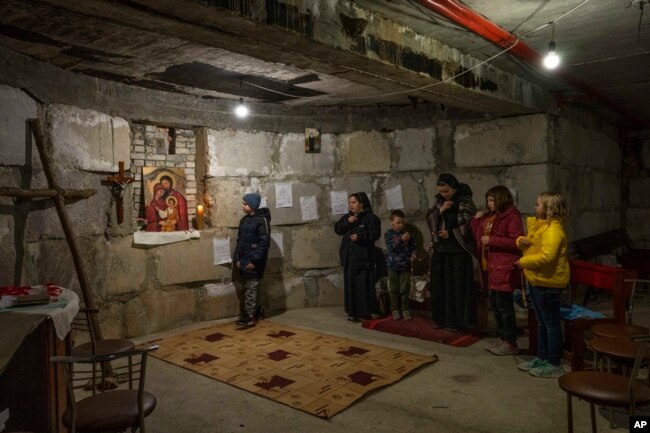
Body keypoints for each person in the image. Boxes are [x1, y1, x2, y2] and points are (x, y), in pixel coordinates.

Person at [515, 192, 569, 378]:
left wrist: (523, 262)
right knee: (542, 323)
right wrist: (521, 241)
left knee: (551, 324)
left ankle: (554, 363)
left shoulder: (553, 230)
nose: (535, 207)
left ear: (548, 209)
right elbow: (535, 245)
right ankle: (542, 356)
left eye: (538, 204)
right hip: (538, 280)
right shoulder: (541, 227)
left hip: (548, 282)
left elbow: (547, 257)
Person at [471, 186, 524, 355]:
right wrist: (475, 220)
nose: (489, 203)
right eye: (488, 200)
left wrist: (493, 240)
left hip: (504, 267)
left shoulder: (511, 217)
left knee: (504, 307)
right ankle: (502, 338)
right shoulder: (492, 216)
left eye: (492, 200)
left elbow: (517, 241)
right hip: (491, 267)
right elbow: (478, 234)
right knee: (496, 305)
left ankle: (510, 342)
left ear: (501, 198)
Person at [426, 173, 477, 332]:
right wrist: (439, 211)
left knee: (456, 288)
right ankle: (441, 319)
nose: (444, 195)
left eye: (446, 191)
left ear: (454, 187)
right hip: (441, 251)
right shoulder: (439, 202)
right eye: (441, 192)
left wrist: (451, 233)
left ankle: (458, 322)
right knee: (440, 287)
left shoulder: (465, 201)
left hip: (458, 252)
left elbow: (471, 225)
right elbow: (430, 218)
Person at [334, 192, 381, 322]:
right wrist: (348, 222)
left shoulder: (371, 218)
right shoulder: (348, 217)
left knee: (363, 287)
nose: (351, 205)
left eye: (354, 202)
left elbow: (375, 234)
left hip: (363, 259)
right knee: (351, 287)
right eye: (349, 203)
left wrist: (360, 237)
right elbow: (337, 229)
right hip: (349, 259)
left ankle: (365, 312)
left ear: (362, 203)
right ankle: (352, 312)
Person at [233, 193, 271, 327]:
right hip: (243, 258)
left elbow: (264, 244)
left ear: (253, 205)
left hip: (254, 260)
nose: (243, 206)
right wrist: (236, 258)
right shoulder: (244, 220)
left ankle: (249, 316)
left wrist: (254, 261)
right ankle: (258, 311)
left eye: (245, 204)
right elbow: (240, 241)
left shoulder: (262, 221)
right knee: (250, 287)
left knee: (251, 287)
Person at [384, 209, 417, 321]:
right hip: (392, 265)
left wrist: (413, 254)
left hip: (405, 266)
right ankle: (394, 309)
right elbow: (391, 248)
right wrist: (401, 240)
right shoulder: (388, 234)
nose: (401, 225)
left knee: (404, 289)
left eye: (402, 223)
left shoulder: (407, 234)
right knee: (393, 289)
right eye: (398, 222)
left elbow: (413, 247)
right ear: (391, 222)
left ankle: (405, 309)